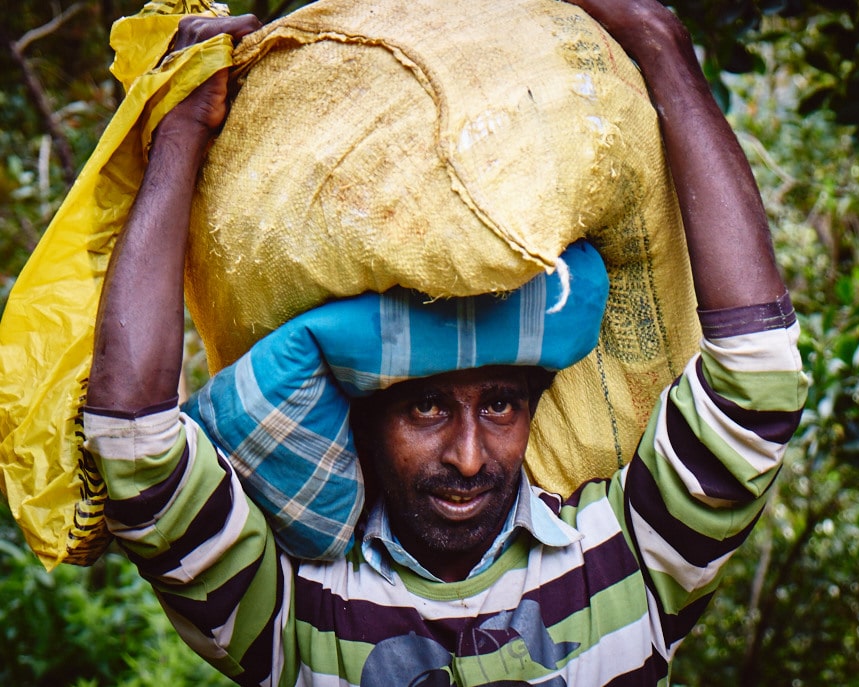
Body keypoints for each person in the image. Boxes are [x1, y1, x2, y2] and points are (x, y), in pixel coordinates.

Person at [84, 0, 807, 684]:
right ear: (363, 410)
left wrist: (662, 46)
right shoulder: (292, 613)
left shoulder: (630, 554)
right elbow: (134, 448)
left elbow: (759, 381)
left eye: (500, 405)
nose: (468, 456)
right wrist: (179, 132)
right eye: (426, 406)